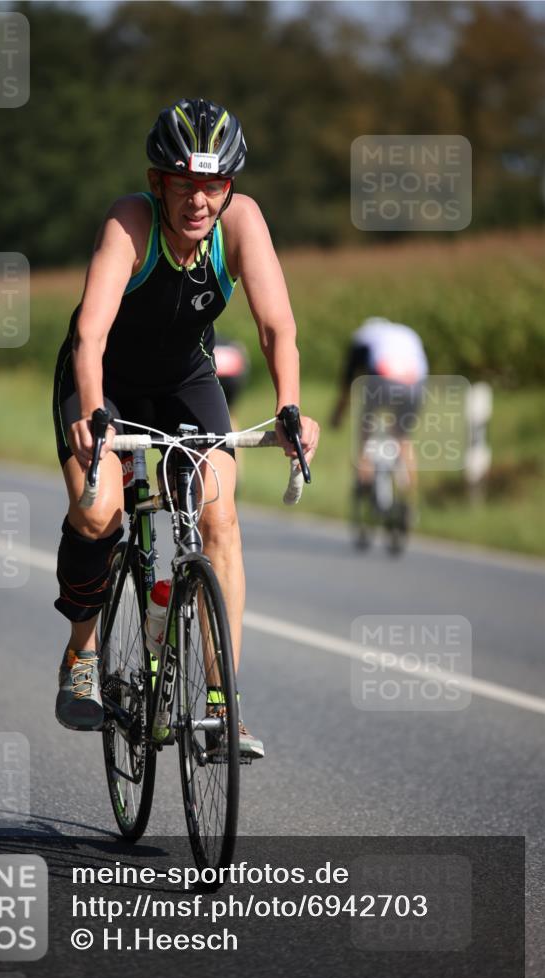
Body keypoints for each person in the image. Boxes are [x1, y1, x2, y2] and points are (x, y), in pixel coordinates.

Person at [52, 98, 319, 758]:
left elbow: (276, 328)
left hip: (182, 382)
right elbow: (90, 333)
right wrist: (93, 415)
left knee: (219, 515)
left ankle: (222, 707)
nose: (198, 200)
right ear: (157, 182)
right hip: (102, 382)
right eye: (183, 183)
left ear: (228, 187)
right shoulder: (130, 222)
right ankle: (81, 653)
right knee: (99, 513)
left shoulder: (244, 223)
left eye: (212, 185)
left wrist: (289, 408)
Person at [329, 316, 428, 510]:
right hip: (416, 382)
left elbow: (347, 385)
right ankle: (410, 496)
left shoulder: (362, 339)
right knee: (402, 436)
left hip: (384, 379)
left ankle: (364, 476)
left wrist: (338, 416)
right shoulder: (407, 333)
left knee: (366, 423)